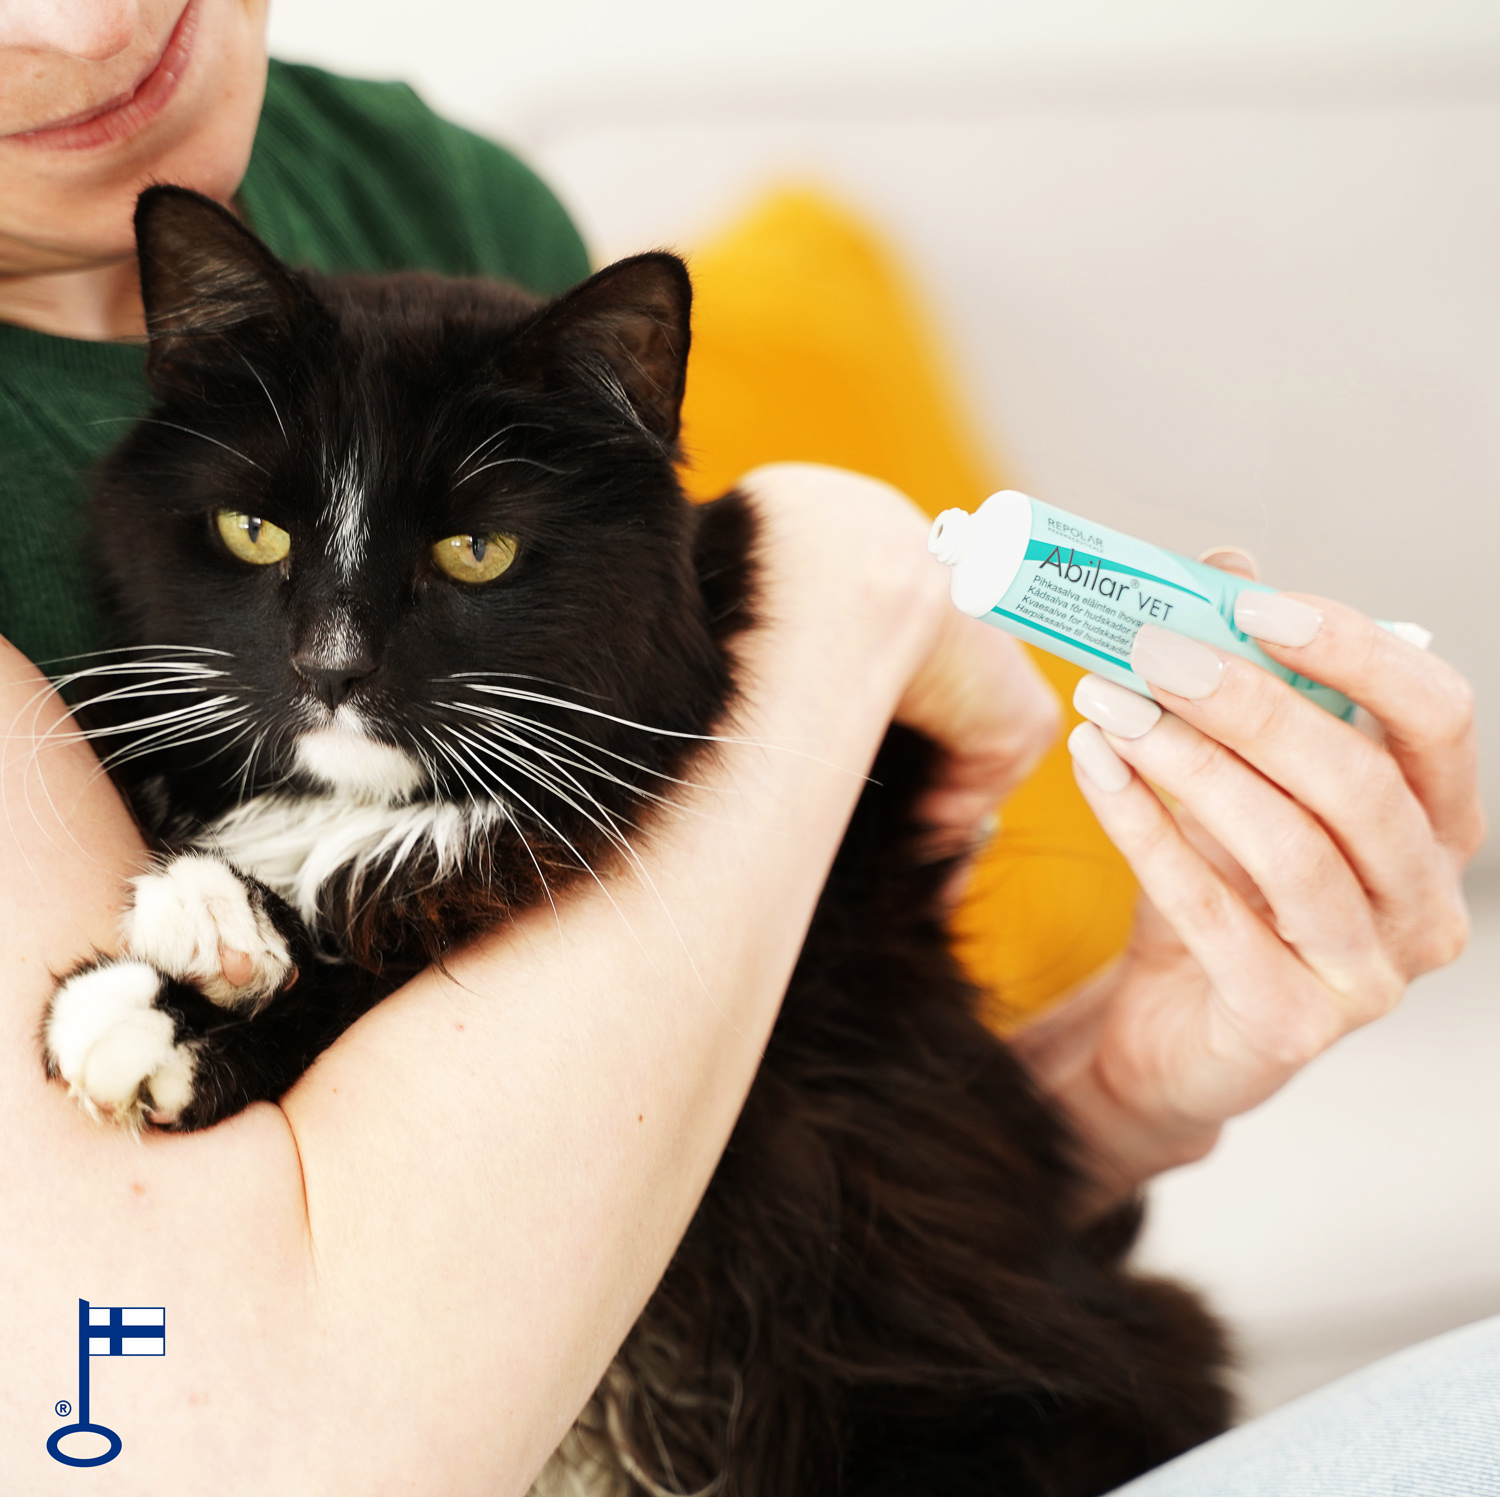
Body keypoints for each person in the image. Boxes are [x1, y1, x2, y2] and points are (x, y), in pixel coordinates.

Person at [0, 2, 1483, 1492]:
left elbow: (667, 1180)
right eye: (263, 542)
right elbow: (179, 1439)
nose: (90, 23)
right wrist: (834, 578)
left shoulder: (424, 190)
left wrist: (1120, 1080)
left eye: (466, 555)